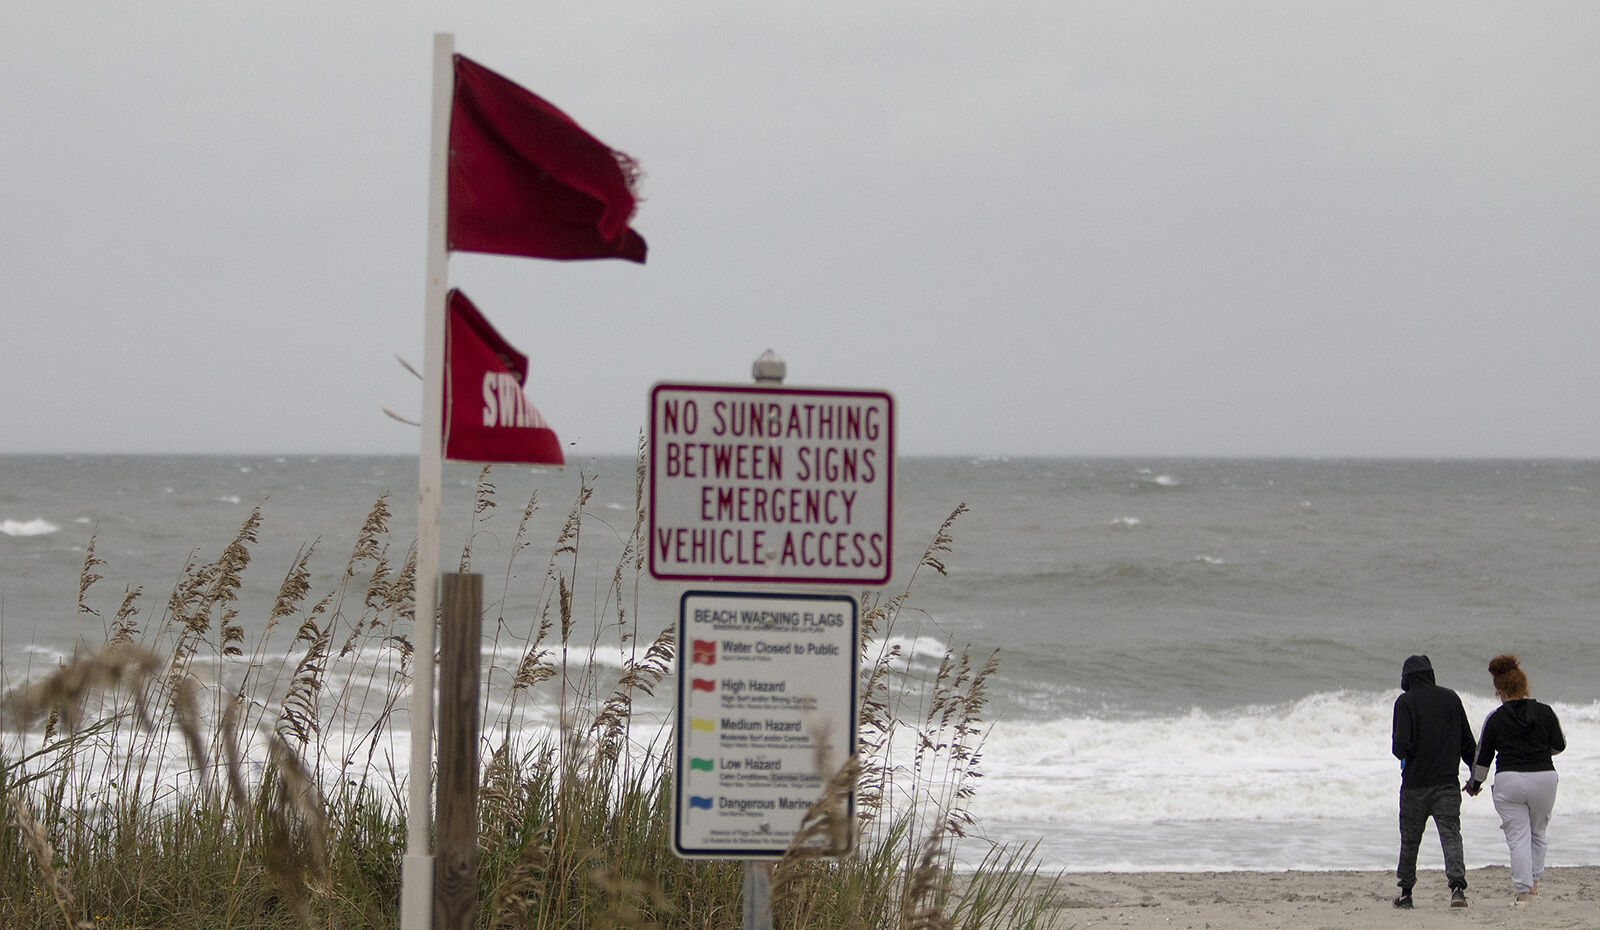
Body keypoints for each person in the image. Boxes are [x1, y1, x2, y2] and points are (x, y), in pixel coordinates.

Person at [1465, 654, 1565, 908]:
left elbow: (1483, 759)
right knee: (1538, 833)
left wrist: (1475, 785)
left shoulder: (1495, 718)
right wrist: (1538, 751)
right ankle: (1533, 887)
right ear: (1524, 686)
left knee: (1519, 837)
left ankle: (1523, 894)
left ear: (1499, 691)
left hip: (1510, 779)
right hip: (1544, 778)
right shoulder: (1545, 712)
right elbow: (1559, 745)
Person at [1391, 654, 1476, 909]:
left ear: (1407, 678)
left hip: (1415, 785)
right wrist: (1475, 779)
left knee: (1410, 840)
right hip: (1447, 784)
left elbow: (1400, 747)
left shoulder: (1405, 702)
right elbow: (1468, 745)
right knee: (1451, 835)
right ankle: (1458, 890)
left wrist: (1407, 753)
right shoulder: (1451, 698)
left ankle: (1406, 894)